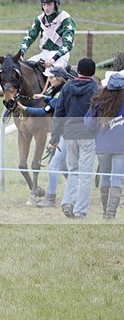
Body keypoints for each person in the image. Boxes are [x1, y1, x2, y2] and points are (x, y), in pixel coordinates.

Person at [49, 57, 98, 219]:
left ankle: (68, 202)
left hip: (69, 134)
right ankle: (80, 210)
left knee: (74, 170)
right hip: (88, 134)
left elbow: (59, 113)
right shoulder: (95, 89)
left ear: (79, 71)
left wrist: (55, 138)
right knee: (85, 174)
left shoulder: (67, 87)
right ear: (92, 72)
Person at [17, 72, 69, 208]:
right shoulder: (60, 90)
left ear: (59, 78)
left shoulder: (60, 93)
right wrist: (43, 97)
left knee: (53, 165)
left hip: (64, 133)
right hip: (63, 133)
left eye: (51, 78)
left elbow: (46, 110)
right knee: (63, 166)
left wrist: (25, 108)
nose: (49, 80)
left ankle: (51, 198)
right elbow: (51, 101)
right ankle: (75, 187)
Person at [84, 70, 124, 219]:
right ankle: (111, 213)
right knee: (116, 178)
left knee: (106, 177)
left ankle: (105, 211)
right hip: (121, 146)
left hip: (103, 146)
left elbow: (88, 124)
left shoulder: (98, 101)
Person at [19, 0, 75, 74]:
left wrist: (54, 58)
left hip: (61, 54)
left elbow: (68, 44)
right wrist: (21, 52)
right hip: (44, 53)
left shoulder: (65, 18)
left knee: (51, 73)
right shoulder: (39, 19)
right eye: (44, 4)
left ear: (56, 5)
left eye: (49, 4)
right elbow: (30, 36)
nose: (46, 8)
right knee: (24, 69)